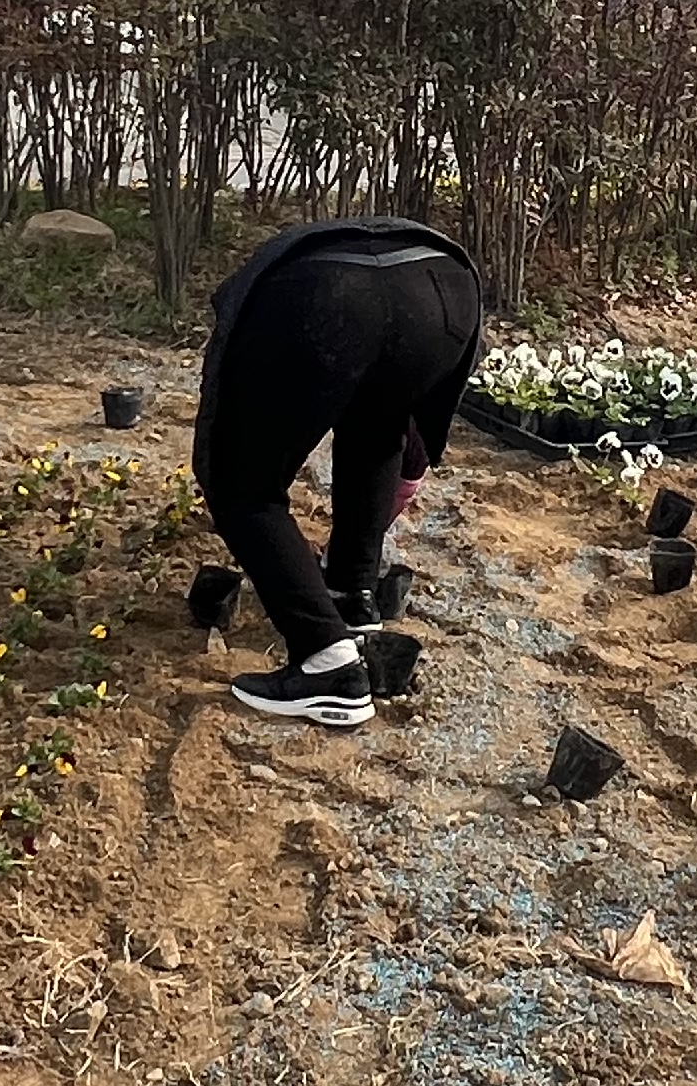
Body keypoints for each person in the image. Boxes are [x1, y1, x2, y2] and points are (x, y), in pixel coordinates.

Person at [192, 219, 484, 730]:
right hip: (444, 283)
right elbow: (412, 438)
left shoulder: (263, 295)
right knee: (379, 423)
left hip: (323, 295)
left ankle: (326, 662)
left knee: (241, 485)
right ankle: (351, 593)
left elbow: (226, 420)